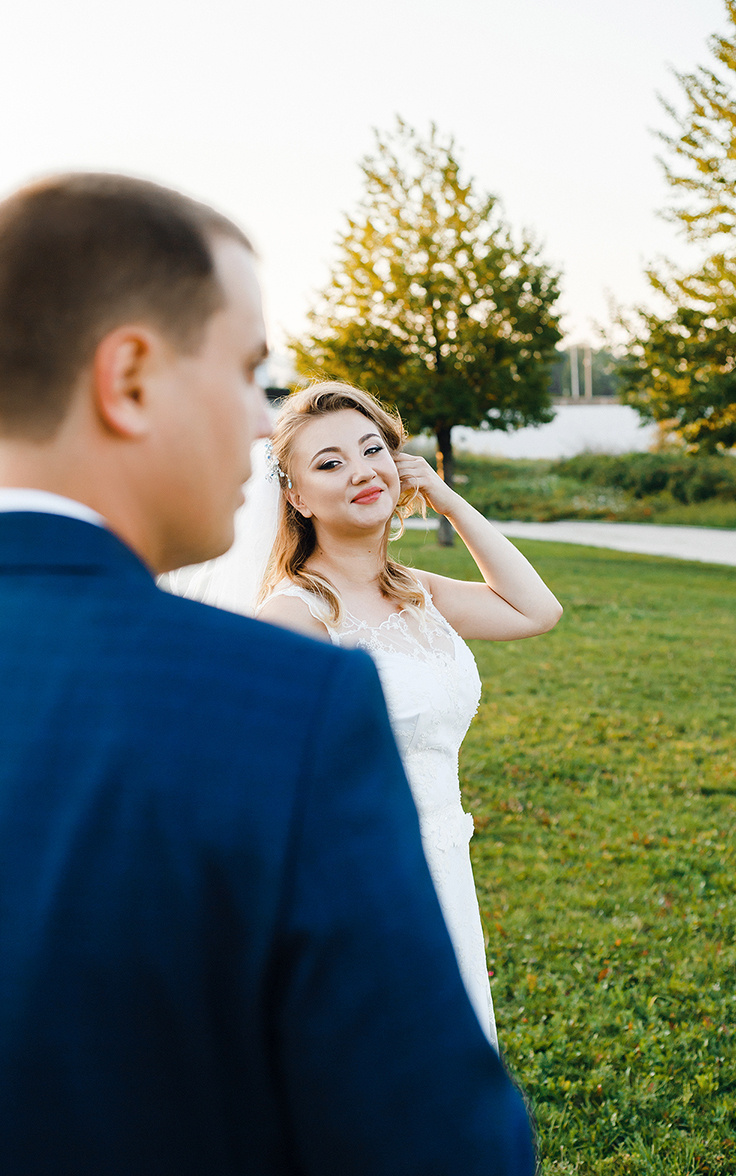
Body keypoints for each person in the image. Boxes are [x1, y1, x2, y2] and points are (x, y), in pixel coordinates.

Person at [0, 174, 536, 1174]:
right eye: (249, 372)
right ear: (130, 377)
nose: (263, 426)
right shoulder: (280, 702)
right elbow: (432, 1139)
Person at [257, 382, 564, 1047]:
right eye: (330, 462)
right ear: (296, 496)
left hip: (445, 858)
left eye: (373, 450)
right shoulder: (293, 617)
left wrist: (448, 499)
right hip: (361, 881)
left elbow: (537, 610)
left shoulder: (418, 591)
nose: (361, 471)